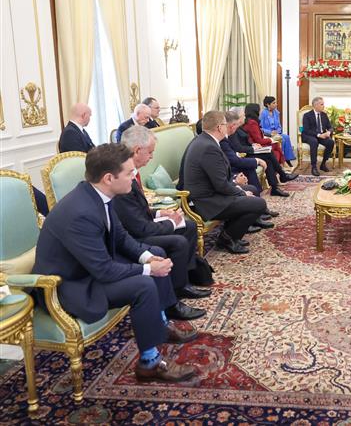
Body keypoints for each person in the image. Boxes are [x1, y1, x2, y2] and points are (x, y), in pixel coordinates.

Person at [32, 143, 198, 383]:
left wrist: (147, 257)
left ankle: (160, 324)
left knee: (156, 252)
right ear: (109, 178)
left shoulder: (99, 195)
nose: (134, 177)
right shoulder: (80, 213)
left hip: (89, 268)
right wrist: (149, 269)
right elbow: (103, 270)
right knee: (144, 284)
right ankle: (150, 363)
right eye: (130, 173)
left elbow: (120, 238)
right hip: (69, 285)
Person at [113, 126, 209, 321]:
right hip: (132, 236)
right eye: (150, 152)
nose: (151, 157)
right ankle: (171, 301)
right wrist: (171, 224)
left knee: (189, 227)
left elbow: (138, 211)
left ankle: (182, 283)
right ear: (137, 150)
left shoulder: (133, 171)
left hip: (139, 225)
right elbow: (138, 227)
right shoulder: (122, 176)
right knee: (178, 241)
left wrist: (160, 212)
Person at [182, 111, 268, 254]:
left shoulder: (205, 141)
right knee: (259, 204)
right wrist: (241, 192)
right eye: (224, 124)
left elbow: (219, 179)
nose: (227, 127)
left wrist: (240, 189)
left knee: (251, 189)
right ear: (219, 127)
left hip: (212, 192)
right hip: (207, 201)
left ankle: (231, 233)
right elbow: (221, 185)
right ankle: (227, 238)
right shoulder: (209, 147)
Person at [224, 110, 296, 197]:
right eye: (243, 116)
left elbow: (244, 142)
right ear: (238, 119)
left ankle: (275, 187)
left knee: (268, 155)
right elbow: (238, 147)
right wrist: (253, 148)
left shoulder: (239, 128)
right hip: (243, 154)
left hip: (246, 152)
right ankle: (281, 177)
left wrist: (253, 144)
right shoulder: (232, 131)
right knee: (268, 154)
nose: (245, 117)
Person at [301, 96, 335, 176]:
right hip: (309, 135)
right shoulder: (307, 115)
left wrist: (329, 132)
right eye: (322, 104)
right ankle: (314, 167)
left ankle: (323, 164)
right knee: (314, 141)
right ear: (315, 105)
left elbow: (330, 127)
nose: (324, 106)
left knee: (330, 142)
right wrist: (319, 135)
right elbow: (306, 130)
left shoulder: (324, 115)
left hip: (321, 135)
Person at [259, 95, 296, 167]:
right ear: (268, 104)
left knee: (286, 137)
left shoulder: (276, 112)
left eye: (275, 102)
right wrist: (270, 132)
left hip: (276, 133)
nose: (276, 104)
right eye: (274, 103)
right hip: (267, 134)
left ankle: (287, 159)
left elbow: (279, 125)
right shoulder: (263, 114)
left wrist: (278, 131)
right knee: (282, 139)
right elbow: (260, 128)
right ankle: (281, 161)